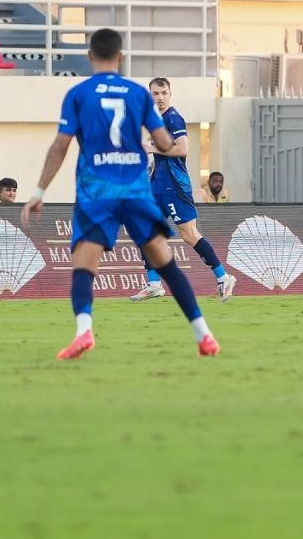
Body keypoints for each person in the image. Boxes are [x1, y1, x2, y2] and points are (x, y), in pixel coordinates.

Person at [21, 28, 219, 358]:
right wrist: (152, 143)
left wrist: (39, 191)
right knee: (166, 263)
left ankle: (84, 331)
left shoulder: (78, 94)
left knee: (84, 264)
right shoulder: (137, 94)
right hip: (136, 190)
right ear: (121, 57)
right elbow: (164, 141)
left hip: (96, 190)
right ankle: (204, 335)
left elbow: (60, 147)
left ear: (90, 56)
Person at [129, 78, 237, 303]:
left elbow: (182, 149)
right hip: (158, 186)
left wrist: (151, 148)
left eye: (163, 93)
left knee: (189, 235)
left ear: (170, 94)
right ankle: (154, 285)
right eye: (155, 93)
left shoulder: (173, 118)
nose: (160, 97)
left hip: (174, 187)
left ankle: (224, 278)